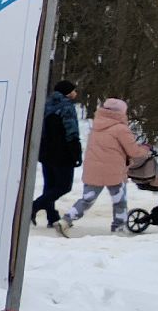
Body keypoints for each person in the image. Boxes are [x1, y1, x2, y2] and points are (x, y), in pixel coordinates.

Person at [58, 97, 149, 235]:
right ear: (120, 112)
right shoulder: (121, 129)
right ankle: (119, 227)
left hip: (93, 169)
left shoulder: (96, 126)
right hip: (114, 171)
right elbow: (134, 151)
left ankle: (66, 220)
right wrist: (146, 149)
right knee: (119, 201)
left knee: (87, 199)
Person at [31, 80, 81, 228]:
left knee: (50, 185)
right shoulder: (67, 107)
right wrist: (76, 153)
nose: (75, 93)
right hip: (63, 153)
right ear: (67, 92)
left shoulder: (46, 105)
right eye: (73, 90)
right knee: (64, 186)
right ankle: (34, 206)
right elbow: (71, 132)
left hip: (46, 151)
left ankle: (52, 217)